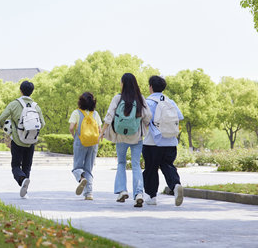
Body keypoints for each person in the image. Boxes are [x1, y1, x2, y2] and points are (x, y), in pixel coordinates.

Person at [100, 73, 151, 207]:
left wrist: (102, 131)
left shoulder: (118, 98)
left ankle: (122, 191)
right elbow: (148, 116)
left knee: (121, 163)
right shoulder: (140, 99)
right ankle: (139, 193)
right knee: (136, 165)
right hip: (136, 137)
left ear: (123, 84)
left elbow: (109, 115)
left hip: (120, 136)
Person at [0, 80, 45, 198]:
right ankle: (25, 190)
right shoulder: (36, 106)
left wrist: (4, 126)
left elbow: (2, 117)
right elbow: (42, 124)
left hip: (17, 140)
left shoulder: (14, 104)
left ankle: (22, 179)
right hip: (31, 141)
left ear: (20, 90)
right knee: (27, 166)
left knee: (15, 166)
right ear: (32, 92)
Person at [142, 75, 184, 206]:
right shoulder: (170, 101)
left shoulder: (147, 102)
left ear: (150, 87)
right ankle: (175, 185)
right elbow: (180, 117)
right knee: (168, 165)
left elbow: (145, 119)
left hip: (152, 142)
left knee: (151, 169)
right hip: (170, 141)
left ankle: (152, 196)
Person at [68, 92, 102, 200]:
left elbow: (71, 127)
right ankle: (89, 194)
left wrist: (75, 136)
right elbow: (100, 130)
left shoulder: (76, 112)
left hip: (80, 142)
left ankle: (81, 178)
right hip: (93, 143)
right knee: (89, 169)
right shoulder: (95, 114)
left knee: (77, 167)